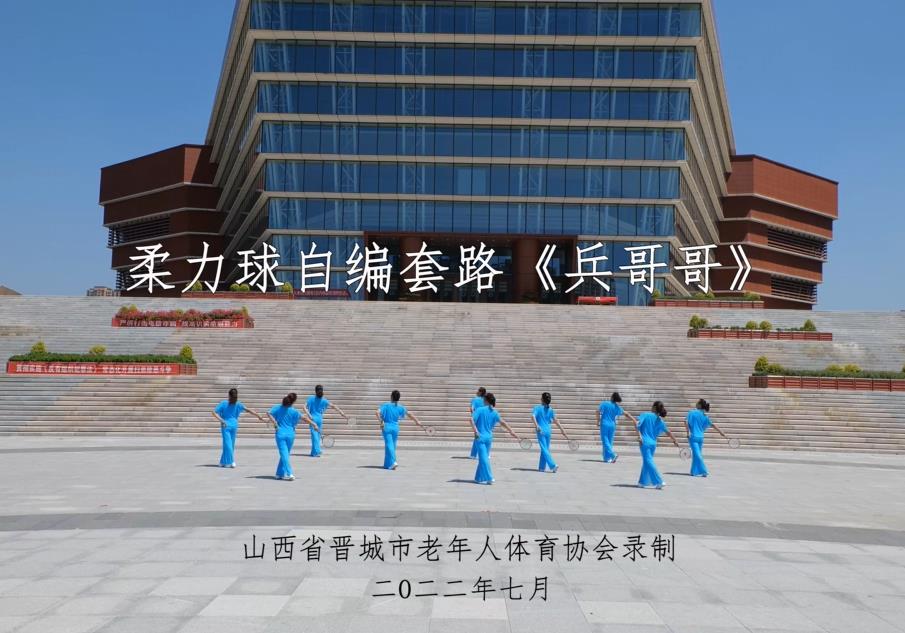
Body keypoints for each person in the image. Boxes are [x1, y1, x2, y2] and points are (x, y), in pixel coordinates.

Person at [266, 393, 318, 481]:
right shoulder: (294, 411)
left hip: (280, 434)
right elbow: (304, 418)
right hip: (290, 435)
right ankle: (289, 473)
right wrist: (314, 424)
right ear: (294, 401)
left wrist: (274, 422)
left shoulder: (278, 408)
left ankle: (279, 473)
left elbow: (268, 413)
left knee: (284, 454)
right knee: (285, 454)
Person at [472, 393, 522, 485]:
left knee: (484, 458)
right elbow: (503, 422)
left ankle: (489, 477)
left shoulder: (479, 410)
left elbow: (471, 420)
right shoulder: (495, 412)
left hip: (480, 438)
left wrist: (475, 431)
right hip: (489, 438)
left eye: (483, 400)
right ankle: (478, 478)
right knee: (484, 458)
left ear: (486, 400)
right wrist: (511, 431)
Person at [211, 388, 265, 468]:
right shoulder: (224, 404)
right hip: (226, 426)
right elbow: (214, 412)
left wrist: (258, 415)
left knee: (230, 445)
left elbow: (248, 410)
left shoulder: (237, 404)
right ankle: (230, 461)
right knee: (228, 444)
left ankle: (223, 462)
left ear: (229, 395)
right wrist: (221, 420)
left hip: (233, 426)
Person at [635, 401, 681, 489]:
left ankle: (658, 481)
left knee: (648, 461)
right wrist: (674, 440)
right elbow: (668, 432)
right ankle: (642, 482)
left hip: (644, 443)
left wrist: (639, 436)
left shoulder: (645, 415)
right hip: (653, 444)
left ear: (654, 407)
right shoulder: (660, 420)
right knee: (647, 461)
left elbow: (637, 425)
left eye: (652, 406)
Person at [376, 390, 426, 470]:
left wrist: (381, 421)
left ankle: (393, 462)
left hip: (387, 427)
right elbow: (409, 414)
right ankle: (387, 465)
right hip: (395, 428)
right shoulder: (400, 407)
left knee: (389, 445)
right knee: (392, 445)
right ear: (398, 398)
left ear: (391, 397)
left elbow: (377, 412)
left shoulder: (386, 405)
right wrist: (417, 421)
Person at [685, 399, 728, 477]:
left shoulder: (691, 412)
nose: (696, 403)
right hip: (701, 438)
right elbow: (712, 425)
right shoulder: (705, 416)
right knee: (696, 455)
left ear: (699, 405)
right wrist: (720, 432)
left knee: (697, 455)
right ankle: (693, 472)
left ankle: (703, 470)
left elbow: (686, 422)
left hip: (693, 437)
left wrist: (688, 433)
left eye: (697, 402)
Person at [305, 385, 350, 457]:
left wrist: (309, 415)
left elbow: (304, 407)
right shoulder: (324, 400)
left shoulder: (311, 399)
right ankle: (314, 452)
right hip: (319, 419)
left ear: (315, 391)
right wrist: (342, 413)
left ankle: (316, 451)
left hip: (313, 419)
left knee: (314, 436)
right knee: (317, 436)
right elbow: (334, 406)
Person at [532, 392, 571, 473]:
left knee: (544, 449)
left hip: (541, 431)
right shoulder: (551, 409)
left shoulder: (537, 408)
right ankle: (542, 467)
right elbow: (556, 420)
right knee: (545, 449)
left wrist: (537, 425)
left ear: (542, 399)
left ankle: (553, 465)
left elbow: (533, 416)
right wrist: (562, 429)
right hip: (548, 431)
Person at [598, 392, 635, 463]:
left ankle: (613, 455)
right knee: (609, 441)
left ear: (612, 397)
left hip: (604, 424)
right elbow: (626, 414)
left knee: (605, 441)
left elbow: (597, 411)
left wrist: (598, 421)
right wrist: (634, 419)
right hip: (612, 425)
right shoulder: (617, 407)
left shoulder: (605, 403)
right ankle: (607, 458)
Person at [468, 387, 488, 459]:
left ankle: (473, 454)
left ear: (480, 392)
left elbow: (471, 408)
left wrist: (473, 414)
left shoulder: (475, 399)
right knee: (486, 435)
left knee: (477, 436)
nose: (477, 392)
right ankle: (485, 453)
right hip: (485, 419)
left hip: (477, 419)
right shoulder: (486, 400)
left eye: (478, 391)